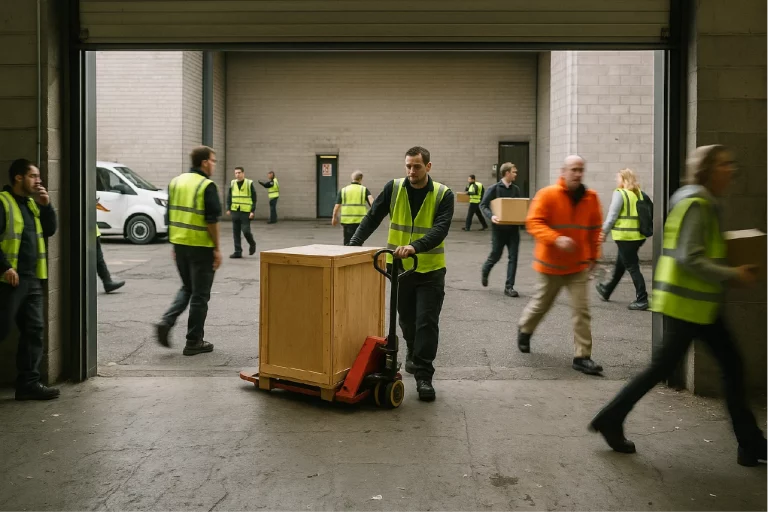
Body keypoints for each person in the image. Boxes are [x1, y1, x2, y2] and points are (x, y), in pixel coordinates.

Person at [590, 145, 768, 467]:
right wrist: (734, 273)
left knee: (726, 367)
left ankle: (750, 443)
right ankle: (612, 417)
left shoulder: (697, 200)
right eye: (725, 164)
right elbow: (690, 257)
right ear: (708, 170)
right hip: (689, 305)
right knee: (702, 367)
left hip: (697, 304)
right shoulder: (697, 203)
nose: (731, 170)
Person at [349, 146, 454, 401]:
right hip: (399, 270)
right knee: (406, 320)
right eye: (408, 166)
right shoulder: (394, 188)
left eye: (417, 166)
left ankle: (424, 377)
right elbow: (373, 217)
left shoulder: (443, 194)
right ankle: (412, 351)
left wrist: (415, 246)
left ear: (428, 166)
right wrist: (353, 244)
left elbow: (440, 229)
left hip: (430, 270)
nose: (411, 171)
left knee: (426, 322)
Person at [517, 155, 604, 375]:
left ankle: (582, 357)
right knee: (541, 305)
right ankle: (525, 328)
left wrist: (594, 256)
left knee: (581, 311)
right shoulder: (547, 195)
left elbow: (595, 230)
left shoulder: (591, 198)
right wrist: (556, 239)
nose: (578, 174)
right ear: (563, 171)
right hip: (550, 266)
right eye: (573, 169)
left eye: (581, 170)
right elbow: (533, 222)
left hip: (578, 266)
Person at [0, 159, 59, 400]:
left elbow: (49, 230)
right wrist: (4, 267)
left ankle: (28, 384)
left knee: (34, 330)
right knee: (2, 329)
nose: (38, 180)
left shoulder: (32, 204)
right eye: (33, 176)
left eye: (38, 176)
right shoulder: (3, 202)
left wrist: (46, 206)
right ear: (19, 177)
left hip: (32, 279)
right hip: (9, 281)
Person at [155, 146, 222, 356]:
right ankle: (194, 341)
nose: (214, 165)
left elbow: (170, 215)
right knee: (200, 295)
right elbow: (211, 221)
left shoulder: (176, 182)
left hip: (180, 245)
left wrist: (175, 244)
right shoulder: (206, 185)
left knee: (187, 287)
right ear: (204, 162)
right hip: (201, 248)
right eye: (213, 160)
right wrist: (217, 248)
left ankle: (166, 321)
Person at [595, 168, 648, 310]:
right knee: (621, 264)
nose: (616, 180)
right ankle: (607, 289)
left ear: (624, 179)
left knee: (632, 266)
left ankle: (642, 298)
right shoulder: (638, 194)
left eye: (618, 178)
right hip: (637, 237)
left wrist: (603, 232)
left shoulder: (620, 193)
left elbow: (612, 216)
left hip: (625, 237)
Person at [480, 163, 522, 297]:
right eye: (514, 172)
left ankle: (509, 287)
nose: (516, 174)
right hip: (499, 230)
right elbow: (483, 205)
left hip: (513, 230)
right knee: (496, 255)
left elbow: (518, 207)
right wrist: (491, 216)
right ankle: (485, 269)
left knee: (513, 257)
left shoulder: (516, 189)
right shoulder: (494, 189)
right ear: (507, 173)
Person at [331, 170, 373, 245]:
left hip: (347, 221)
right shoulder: (364, 189)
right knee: (358, 241)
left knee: (347, 242)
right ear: (361, 179)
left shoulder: (344, 190)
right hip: (360, 221)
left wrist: (334, 218)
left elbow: (337, 206)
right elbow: (372, 202)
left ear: (352, 178)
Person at [226, 166, 257, 258]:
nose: (237, 175)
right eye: (236, 173)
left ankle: (252, 243)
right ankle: (237, 252)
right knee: (236, 233)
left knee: (246, 231)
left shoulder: (249, 183)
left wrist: (252, 211)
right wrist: (228, 208)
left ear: (243, 173)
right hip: (235, 210)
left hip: (246, 212)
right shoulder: (233, 183)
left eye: (239, 173)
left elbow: (254, 198)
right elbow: (229, 196)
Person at [95, 199, 125, 293]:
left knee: (99, 260)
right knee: (98, 260)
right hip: (90, 233)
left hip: (93, 232)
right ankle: (107, 282)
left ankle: (107, 282)